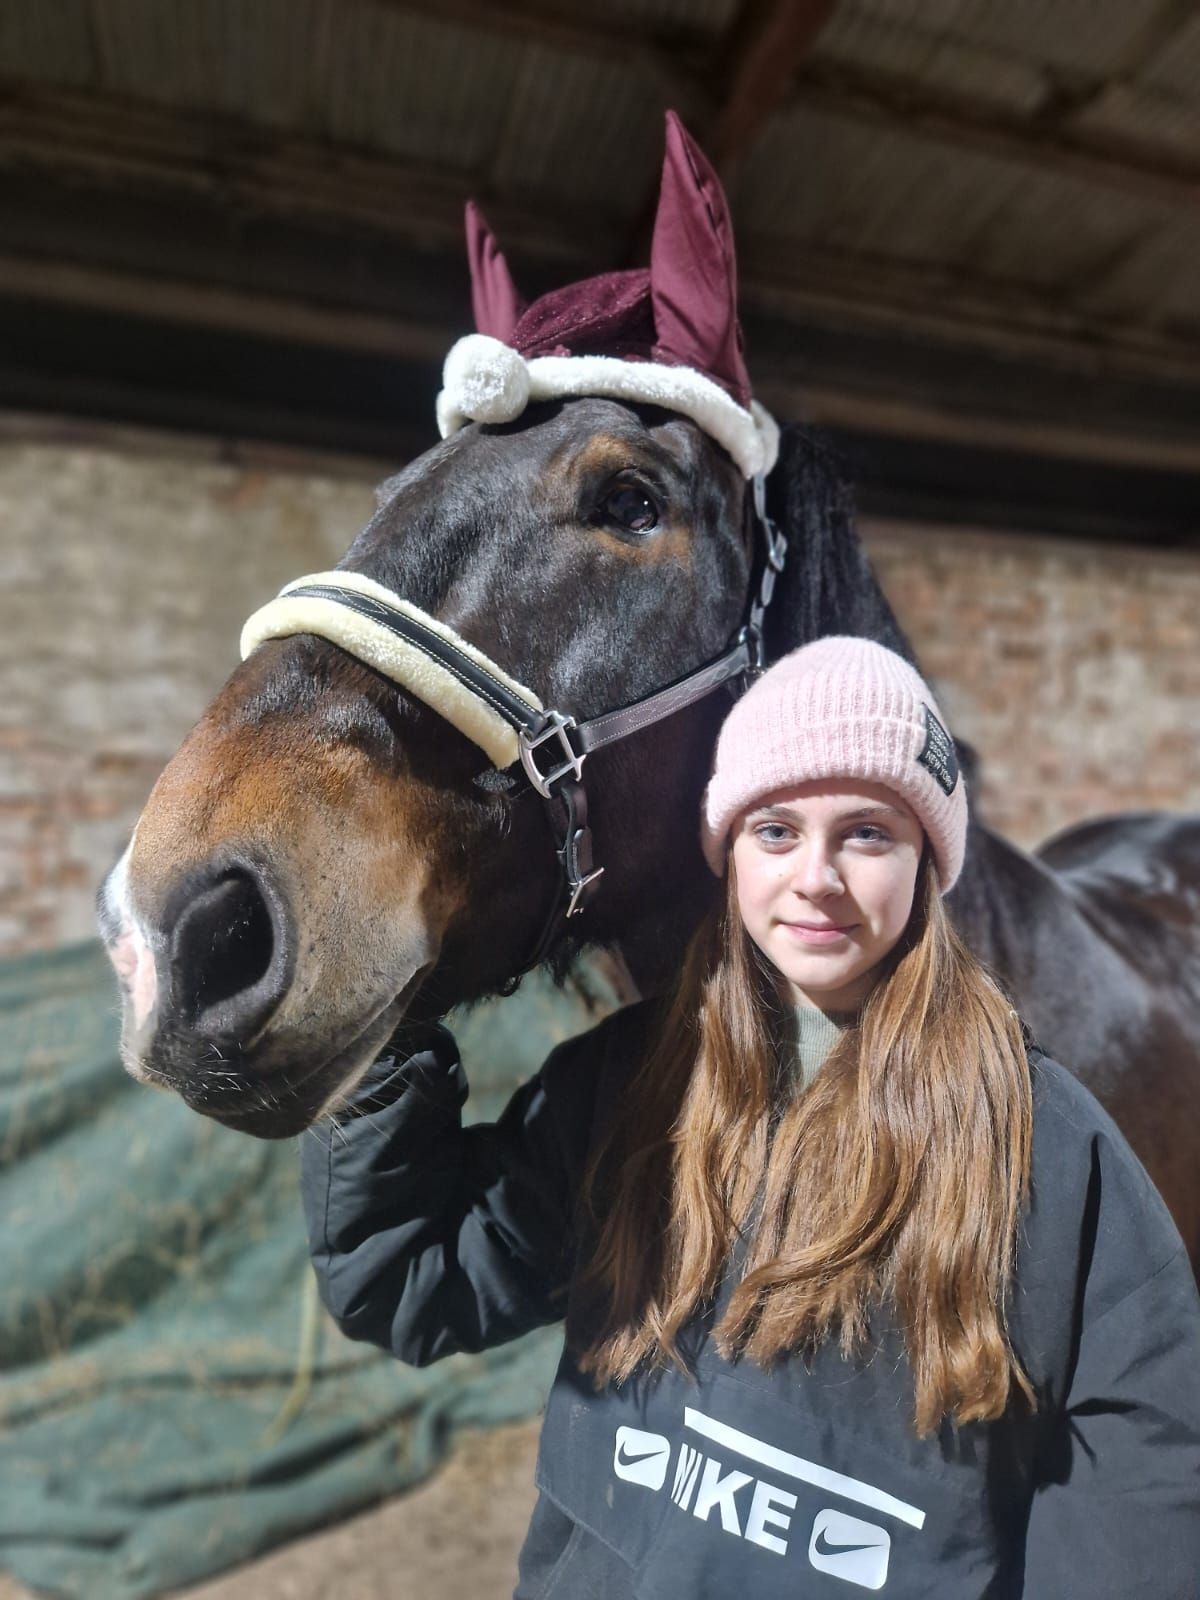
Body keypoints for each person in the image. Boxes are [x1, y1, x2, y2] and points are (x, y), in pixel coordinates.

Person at [300, 635, 1200, 1599]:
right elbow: (414, 1278)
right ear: (728, 852)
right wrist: (369, 1026)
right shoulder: (633, 1084)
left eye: (867, 833)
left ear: (927, 863)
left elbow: (1134, 1490)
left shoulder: (1048, 1151)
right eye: (776, 830)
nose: (817, 876)